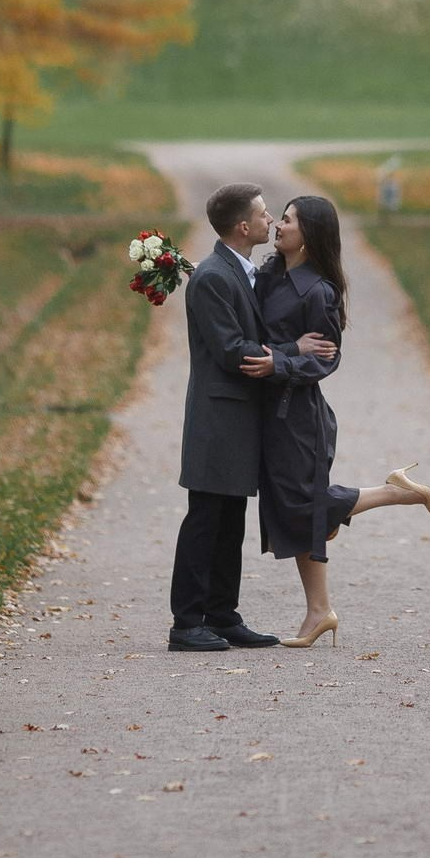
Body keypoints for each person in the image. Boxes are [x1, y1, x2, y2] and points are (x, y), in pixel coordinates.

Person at [252, 194, 430, 650]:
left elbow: (325, 360)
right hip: (268, 412)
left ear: (309, 235)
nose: (278, 225)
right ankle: (319, 611)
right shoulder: (271, 273)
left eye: (288, 220)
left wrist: (280, 362)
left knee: (302, 507)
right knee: (294, 511)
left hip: (298, 417)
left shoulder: (319, 292)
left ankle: (395, 493)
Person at [168, 181, 307, 652]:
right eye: (264, 214)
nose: (271, 220)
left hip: (238, 418)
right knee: (205, 519)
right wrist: (292, 351)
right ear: (244, 226)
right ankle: (186, 623)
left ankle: (223, 616)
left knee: (230, 521)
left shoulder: (239, 271)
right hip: (217, 418)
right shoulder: (213, 277)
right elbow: (231, 350)